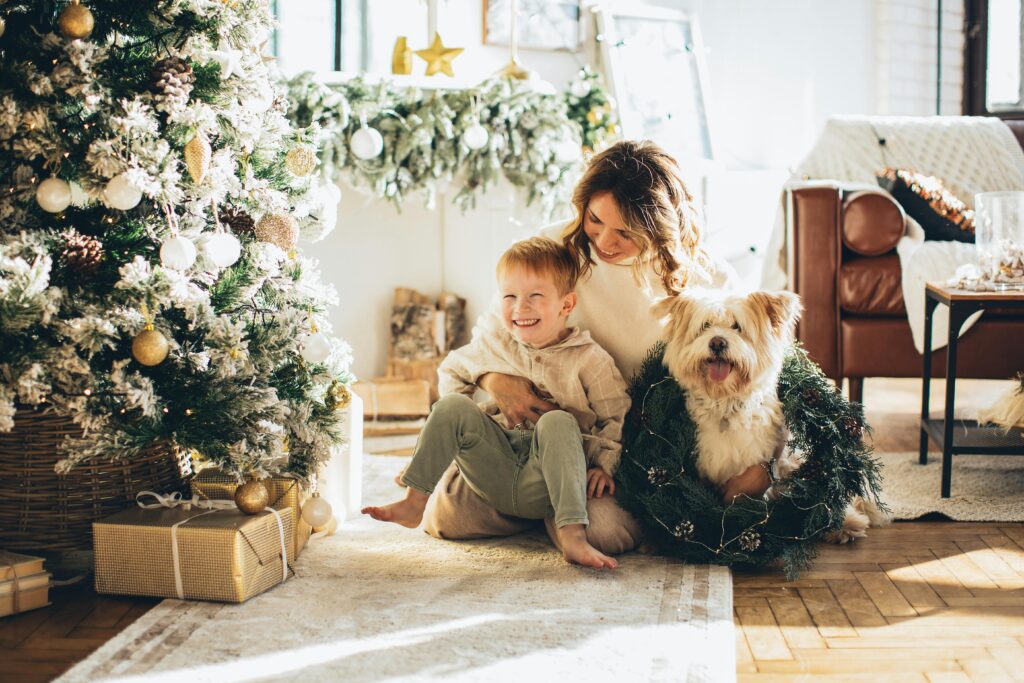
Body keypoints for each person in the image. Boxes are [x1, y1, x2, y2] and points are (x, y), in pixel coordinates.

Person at [421, 140, 771, 553]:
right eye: (595, 219)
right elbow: (492, 330)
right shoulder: (556, 246)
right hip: (532, 435)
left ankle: (554, 507)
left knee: (604, 533)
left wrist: (764, 466)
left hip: (617, 446)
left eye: (626, 231)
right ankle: (540, 499)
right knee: (445, 518)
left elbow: (761, 363)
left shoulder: (704, 277)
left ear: (660, 227)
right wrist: (495, 379)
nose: (605, 240)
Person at [362, 237, 630, 569]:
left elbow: (615, 413)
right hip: (497, 462)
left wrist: (604, 464)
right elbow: (450, 372)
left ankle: (572, 535)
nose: (521, 307)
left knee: (558, 421)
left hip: (550, 476)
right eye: (510, 296)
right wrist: (476, 393)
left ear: (566, 305)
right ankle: (414, 500)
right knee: (450, 408)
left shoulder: (588, 358)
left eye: (535, 296)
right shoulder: (494, 344)